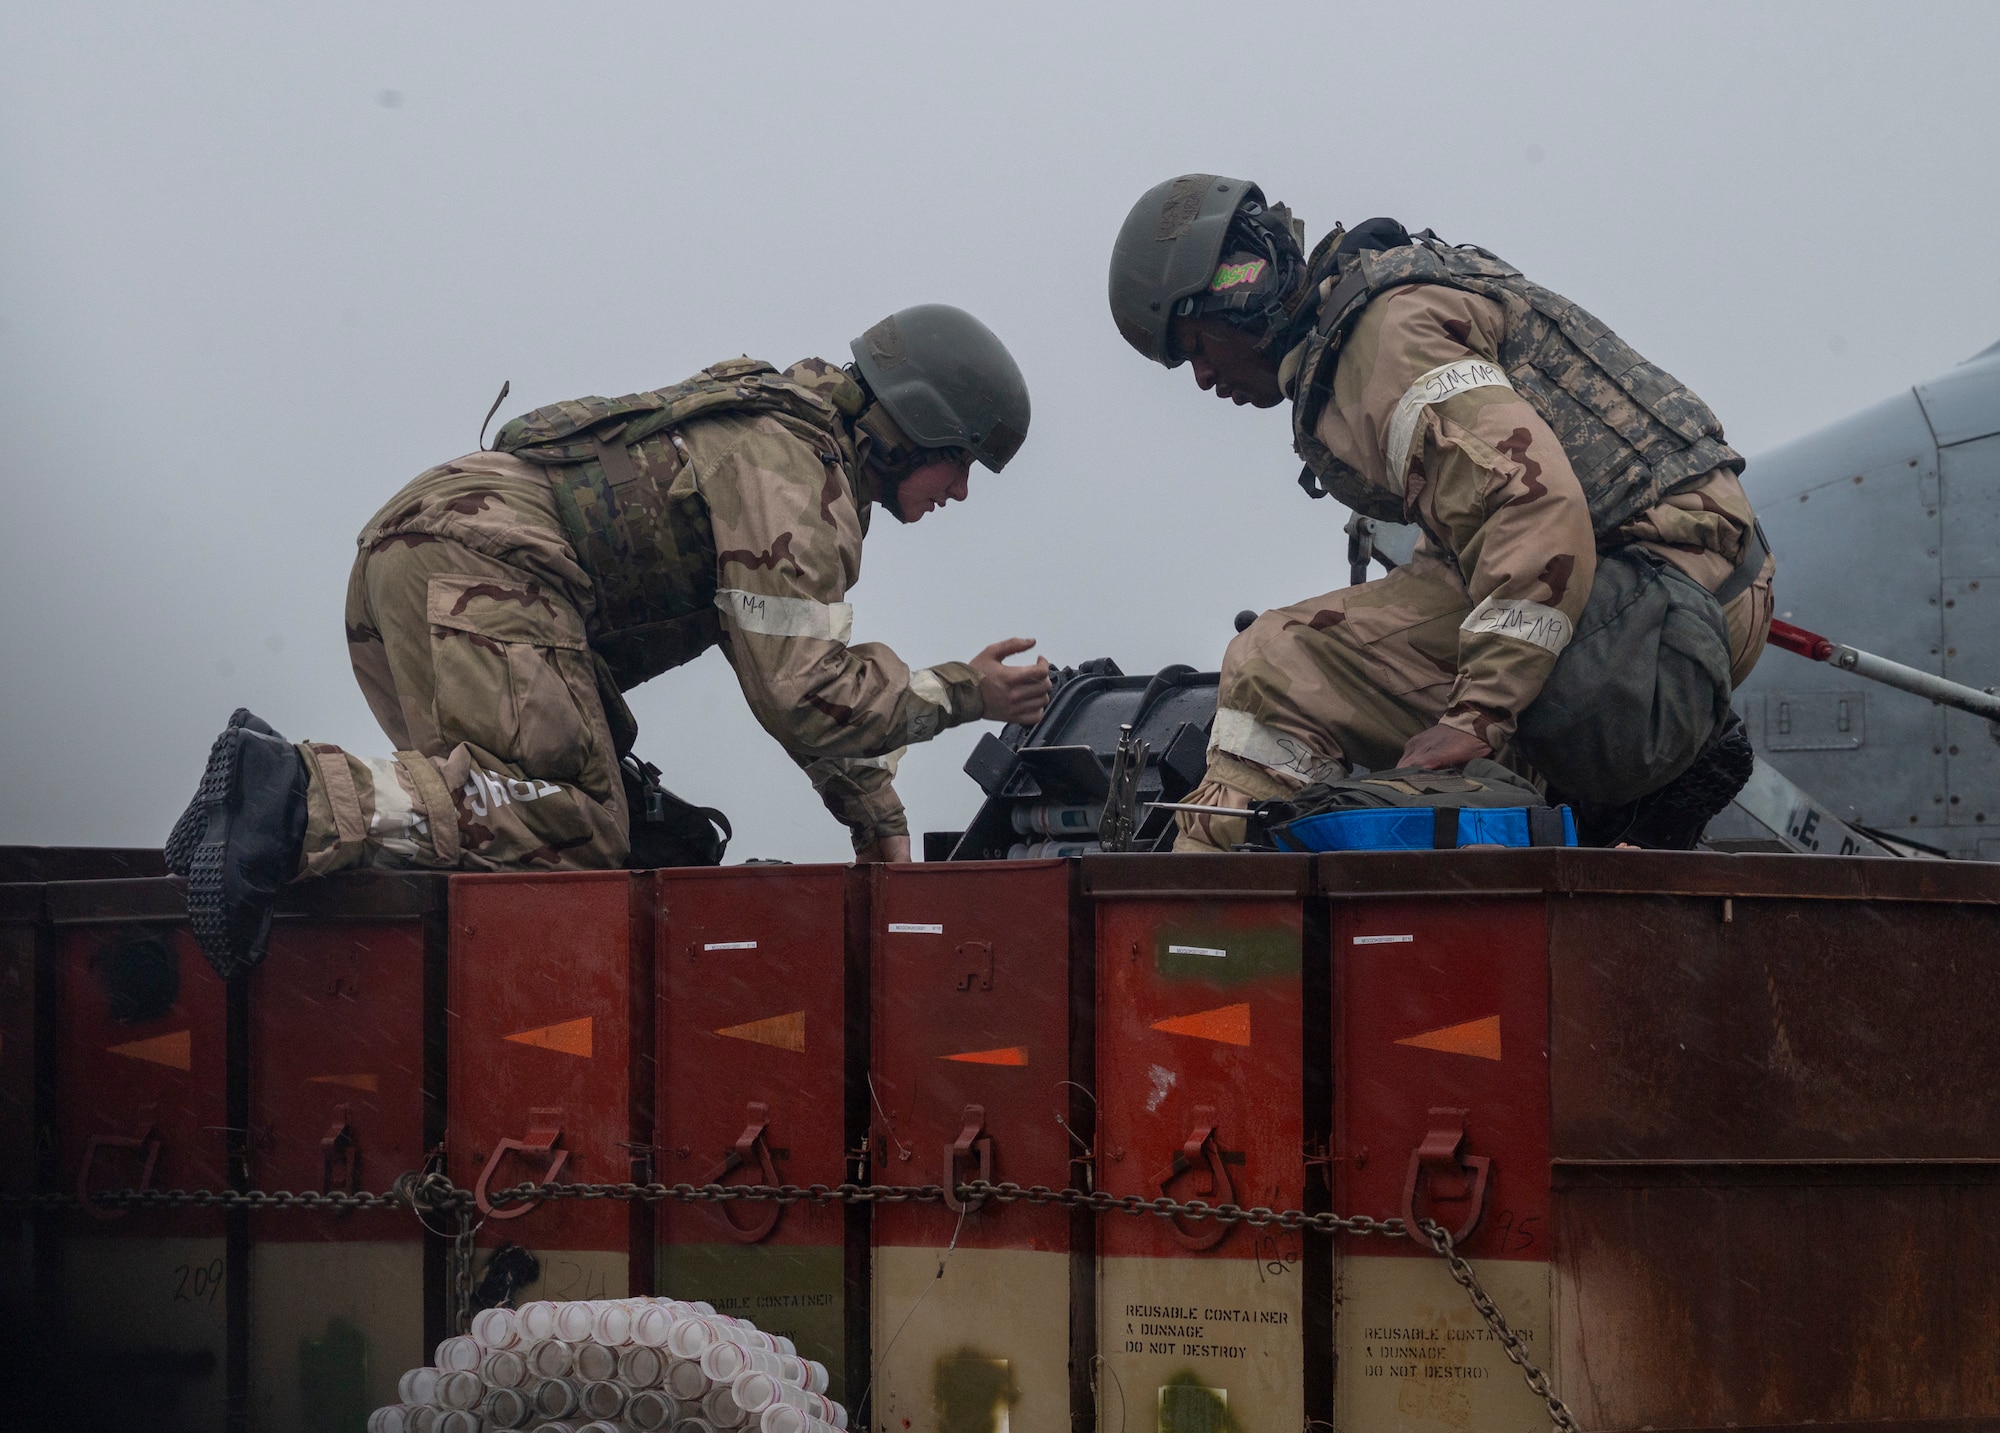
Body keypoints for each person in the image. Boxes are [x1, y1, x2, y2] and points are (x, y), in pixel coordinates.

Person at [168, 304, 1051, 974]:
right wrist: (966, 693)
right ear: (915, 428)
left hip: (418, 556)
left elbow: (798, 678)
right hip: (489, 565)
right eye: (962, 462)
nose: (960, 494)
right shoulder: (795, 471)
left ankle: (259, 840)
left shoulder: (786, 443)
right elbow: (805, 696)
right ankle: (288, 797)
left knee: (504, 819)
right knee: (573, 823)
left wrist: (877, 826)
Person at [1108, 175, 1774, 851]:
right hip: (1676, 581)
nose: (1201, 380)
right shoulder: (1382, 313)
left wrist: (1475, 717)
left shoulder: (1382, 343)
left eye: (1194, 347)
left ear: (1238, 296)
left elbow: (1531, 506)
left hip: (1656, 594)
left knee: (1277, 665)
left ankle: (1206, 920)